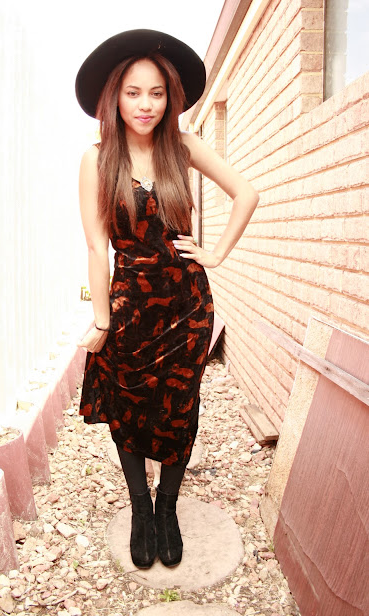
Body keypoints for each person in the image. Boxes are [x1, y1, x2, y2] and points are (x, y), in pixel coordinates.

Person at [75, 29, 259, 570]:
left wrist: (216, 254)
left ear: (170, 97)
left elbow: (247, 193)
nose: (145, 104)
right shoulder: (96, 160)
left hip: (187, 306)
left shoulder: (183, 147)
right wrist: (102, 320)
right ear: (115, 96)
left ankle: (167, 507)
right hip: (129, 306)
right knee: (127, 405)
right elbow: (96, 245)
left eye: (156, 93)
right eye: (134, 92)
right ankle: (140, 508)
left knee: (180, 408)